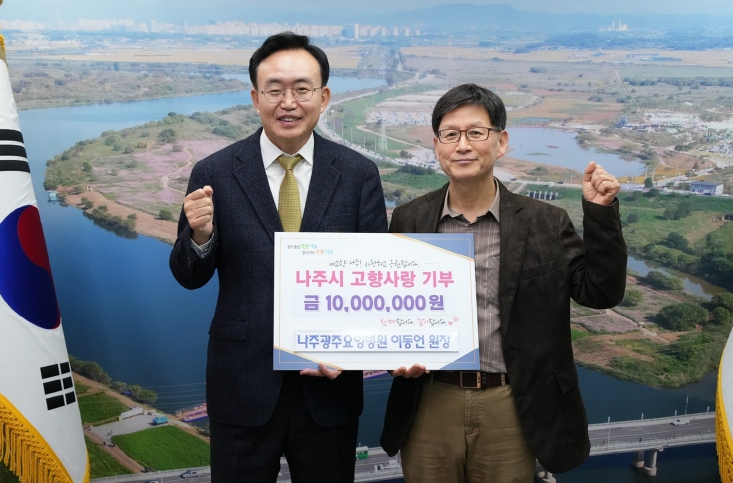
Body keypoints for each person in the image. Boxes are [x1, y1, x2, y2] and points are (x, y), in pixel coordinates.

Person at [380, 83, 627, 482]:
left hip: (510, 403)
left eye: (476, 133)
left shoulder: (546, 222)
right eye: (450, 134)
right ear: (436, 145)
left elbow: (599, 293)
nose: (463, 145)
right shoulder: (409, 218)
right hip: (428, 400)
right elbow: (392, 305)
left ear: (501, 142)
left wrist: (600, 214)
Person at [169, 32, 387, 483]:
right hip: (241, 382)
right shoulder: (214, 172)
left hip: (329, 385)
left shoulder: (357, 173)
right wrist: (201, 236)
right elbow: (189, 277)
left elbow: (375, 278)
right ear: (255, 98)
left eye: (302, 89)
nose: (289, 102)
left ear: (324, 97)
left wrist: (354, 348)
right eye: (275, 89)